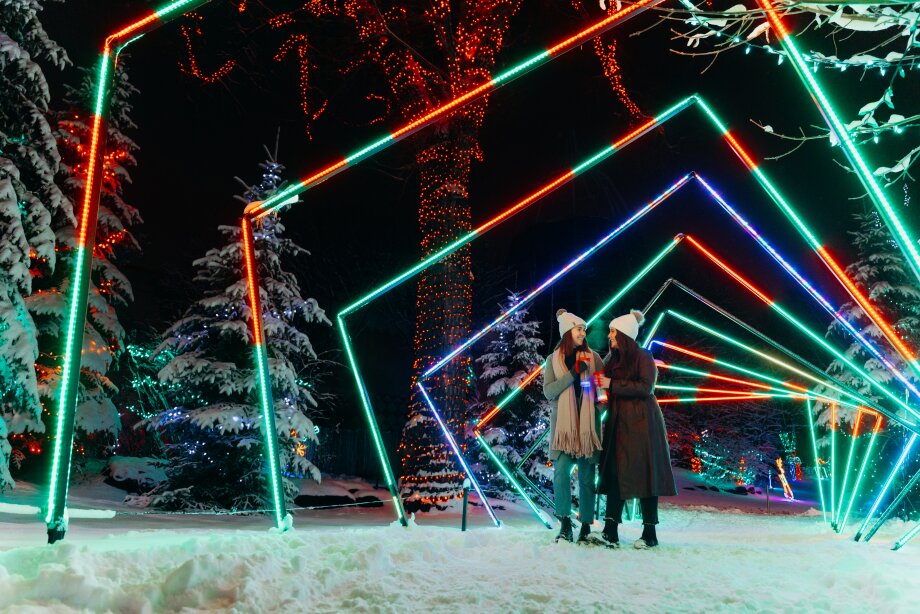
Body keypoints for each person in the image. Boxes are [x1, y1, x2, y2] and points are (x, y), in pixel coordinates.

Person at [598, 309, 677, 549]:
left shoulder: (644, 356)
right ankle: (610, 529)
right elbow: (598, 377)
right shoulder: (612, 359)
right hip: (618, 424)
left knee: (645, 474)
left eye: (613, 332)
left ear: (623, 334)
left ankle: (649, 533)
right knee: (614, 472)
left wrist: (612, 384)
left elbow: (645, 387)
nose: (609, 336)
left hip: (642, 425)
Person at [542, 308, 605, 543]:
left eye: (584, 329)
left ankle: (586, 526)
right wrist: (572, 374)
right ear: (568, 331)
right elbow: (549, 392)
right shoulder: (554, 360)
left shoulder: (594, 358)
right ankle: (565, 524)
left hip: (588, 430)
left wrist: (598, 411)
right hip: (564, 431)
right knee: (561, 475)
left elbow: (604, 392)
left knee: (587, 477)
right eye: (579, 329)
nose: (583, 332)